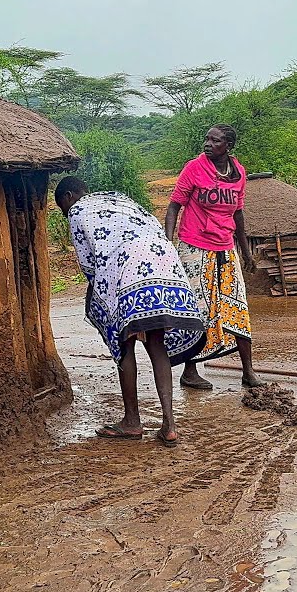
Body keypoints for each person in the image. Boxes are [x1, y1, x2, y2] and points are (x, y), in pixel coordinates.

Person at [56, 176, 205, 447]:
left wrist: (100, 302)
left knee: (123, 343)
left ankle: (132, 422)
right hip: (165, 265)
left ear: (68, 197)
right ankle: (169, 425)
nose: (67, 214)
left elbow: (90, 265)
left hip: (129, 270)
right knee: (156, 343)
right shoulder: (120, 199)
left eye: (63, 209)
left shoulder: (78, 210)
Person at [164, 124, 263, 390]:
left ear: (228, 146)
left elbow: (238, 214)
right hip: (194, 247)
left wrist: (245, 253)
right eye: (206, 138)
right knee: (197, 309)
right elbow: (175, 206)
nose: (208, 144)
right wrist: (168, 243)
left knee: (238, 305)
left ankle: (248, 371)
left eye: (215, 140)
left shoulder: (238, 172)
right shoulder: (194, 168)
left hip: (225, 247)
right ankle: (190, 370)